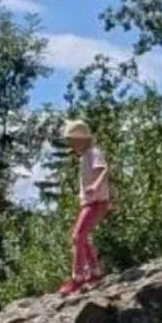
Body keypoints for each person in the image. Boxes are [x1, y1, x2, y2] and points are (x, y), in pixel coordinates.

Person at [59, 119, 109, 296]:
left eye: (71, 140)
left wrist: (95, 185)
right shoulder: (85, 157)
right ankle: (94, 272)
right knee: (83, 237)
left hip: (96, 202)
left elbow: (104, 169)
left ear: (81, 139)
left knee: (77, 237)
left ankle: (77, 277)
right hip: (89, 202)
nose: (70, 144)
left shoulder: (93, 153)